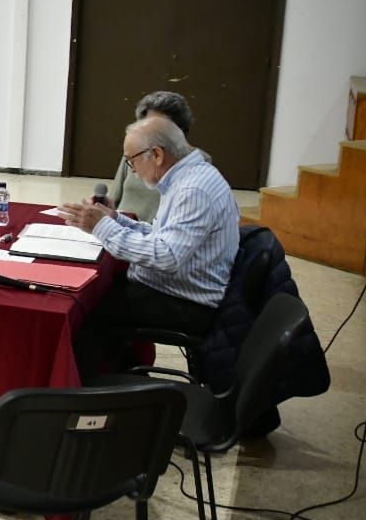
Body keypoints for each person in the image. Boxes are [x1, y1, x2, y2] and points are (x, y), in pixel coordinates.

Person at [61, 115, 240, 379]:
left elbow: (166, 256)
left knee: (88, 314)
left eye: (131, 161)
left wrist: (101, 227)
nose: (132, 170)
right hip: (182, 285)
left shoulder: (193, 190)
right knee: (103, 292)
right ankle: (126, 378)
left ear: (156, 154)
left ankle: (98, 398)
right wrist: (115, 219)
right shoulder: (190, 176)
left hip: (188, 301)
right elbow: (162, 236)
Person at [110, 90, 202, 222]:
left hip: (150, 237)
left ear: (178, 130)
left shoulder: (197, 164)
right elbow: (114, 198)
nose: (148, 133)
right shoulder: (136, 155)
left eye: (157, 127)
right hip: (120, 229)